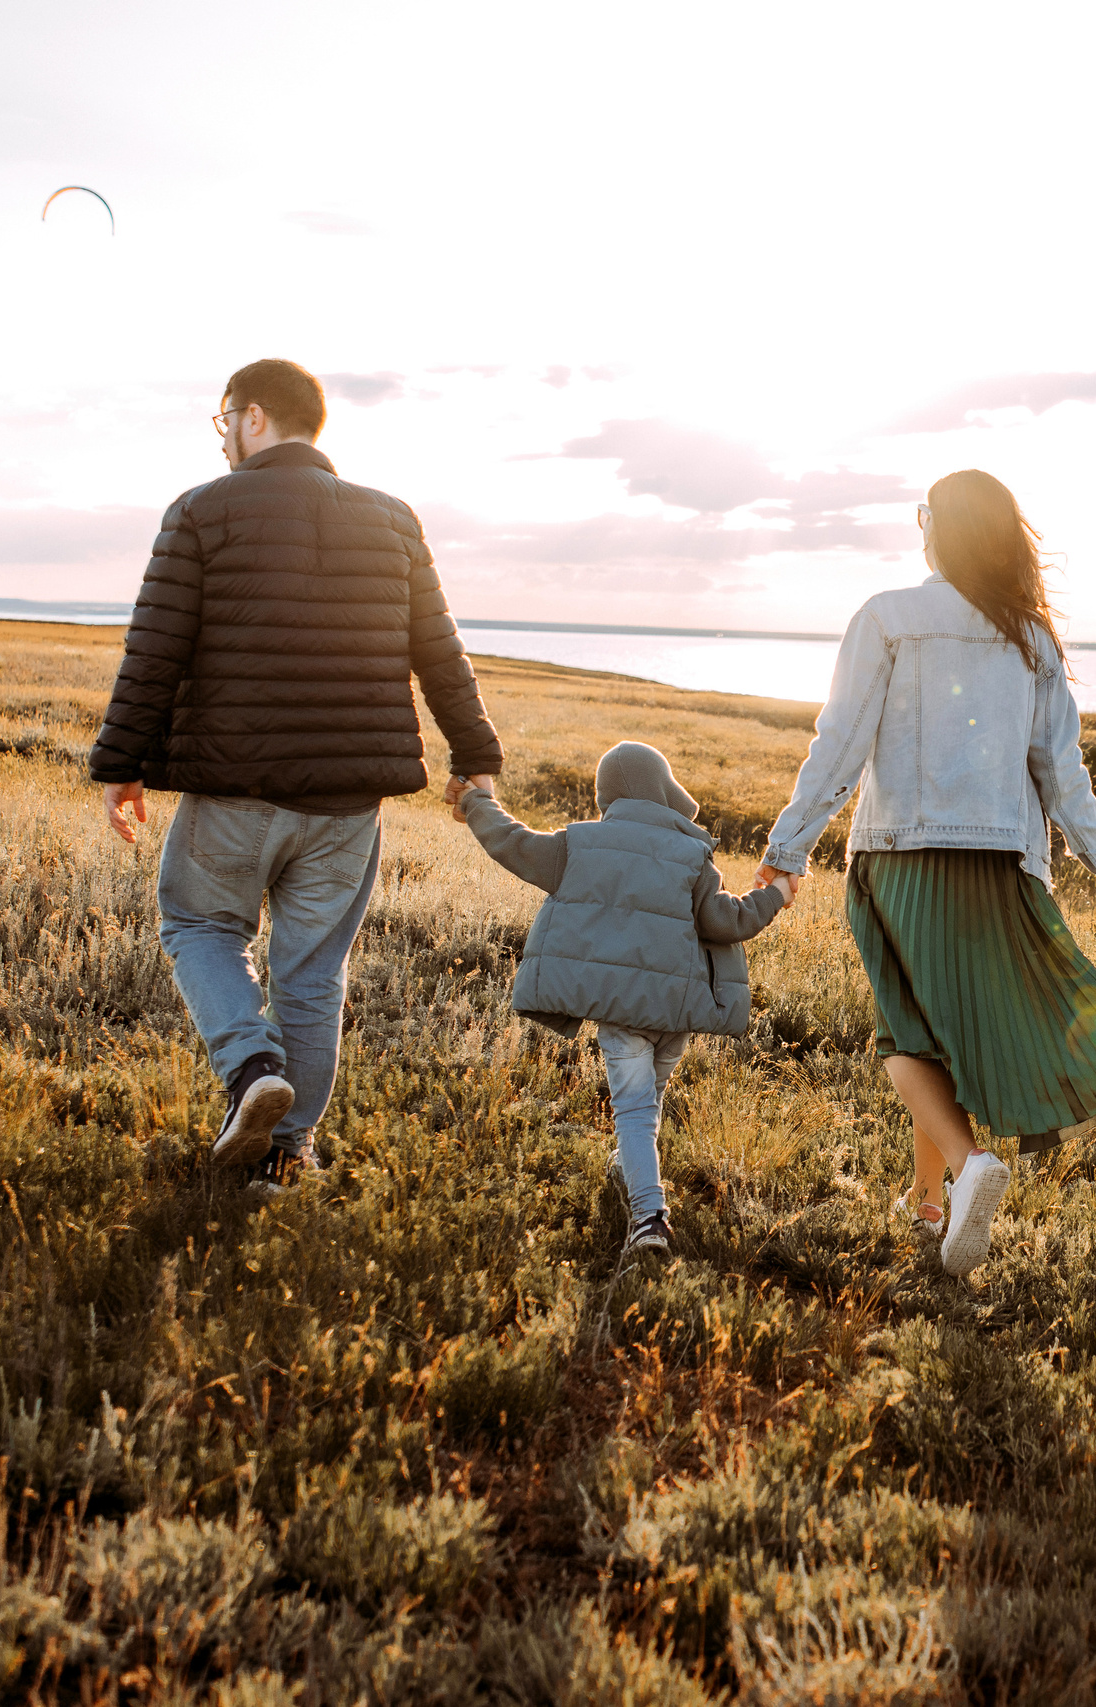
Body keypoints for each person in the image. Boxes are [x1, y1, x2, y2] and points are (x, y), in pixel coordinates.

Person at [89, 359, 503, 1198]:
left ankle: (250, 1070)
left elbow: (154, 647)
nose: (224, 439)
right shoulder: (393, 520)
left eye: (223, 422)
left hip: (234, 789)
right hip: (348, 804)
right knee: (312, 973)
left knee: (201, 926)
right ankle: (286, 1158)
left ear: (250, 418)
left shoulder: (203, 510)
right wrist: (476, 758)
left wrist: (121, 764)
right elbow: (439, 650)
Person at [756, 469, 1096, 1276]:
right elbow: (1062, 773)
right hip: (1004, 867)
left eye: (924, 515)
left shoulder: (886, 617)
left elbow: (839, 744)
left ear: (939, 529)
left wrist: (789, 846)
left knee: (900, 1034)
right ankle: (927, 1201)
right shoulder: (1032, 638)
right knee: (939, 1031)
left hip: (899, 858)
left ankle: (968, 1163)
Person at [448, 742, 791, 1259]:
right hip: (675, 1014)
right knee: (647, 1104)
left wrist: (476, 800)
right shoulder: (691, 855)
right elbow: (726, 921)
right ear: (661, 790)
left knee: (632, 1110)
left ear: (610, 796)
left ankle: (649, 1219)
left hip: (620, 1013)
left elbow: (510, 841)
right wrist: (775, 895)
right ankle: (629, 1165)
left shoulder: (579, 845)